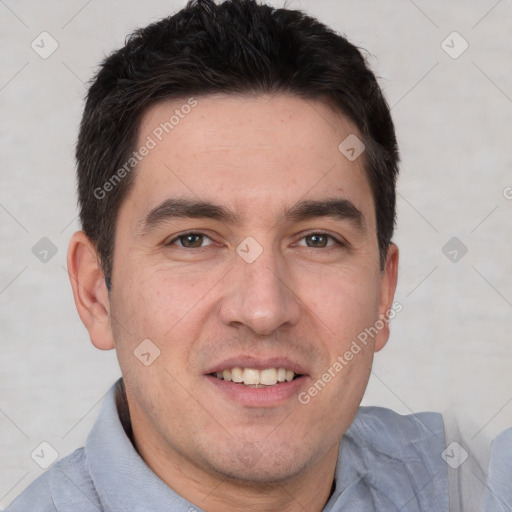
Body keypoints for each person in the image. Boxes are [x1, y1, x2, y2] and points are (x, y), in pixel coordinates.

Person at [8, 0, 504, 510]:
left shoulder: (474, 481)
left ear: (383, 291)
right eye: (193, 240)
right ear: (96, 293)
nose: (263, 310)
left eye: (317, 240)